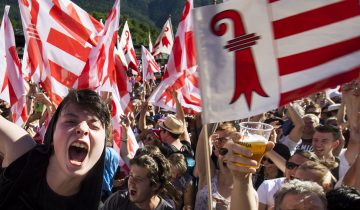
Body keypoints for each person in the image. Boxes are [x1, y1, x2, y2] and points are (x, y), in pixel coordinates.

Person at [0, 89, 111, 209]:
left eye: (94, 126)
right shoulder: (22, 152)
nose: (82, 128)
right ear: (52, 133)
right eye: (71, 121)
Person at [102, 146, 174, 210]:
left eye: (138, 179)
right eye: (130, 175)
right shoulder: (118, 200)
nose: (131, 181)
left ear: (155, 185)